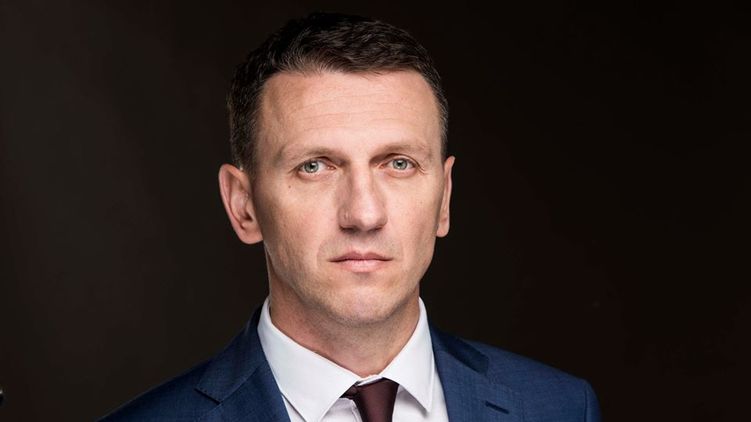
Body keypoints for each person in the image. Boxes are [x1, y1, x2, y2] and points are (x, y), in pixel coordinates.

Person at [101, 12, 601, 422]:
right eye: (314, 166)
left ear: (444, 198)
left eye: (399, 164)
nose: (364, 214)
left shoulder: (560, 409)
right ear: (243, 205)